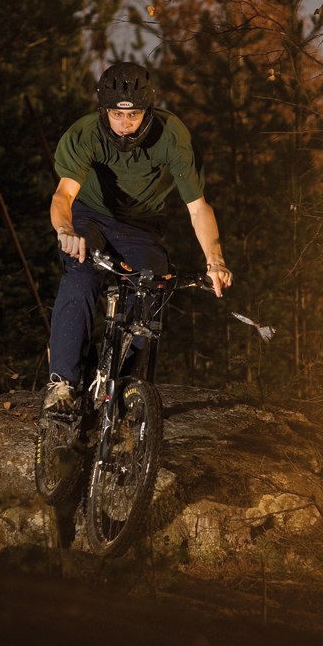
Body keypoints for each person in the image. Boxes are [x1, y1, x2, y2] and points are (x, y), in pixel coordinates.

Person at [47, 61, 233, 408]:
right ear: (104, 110)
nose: (124, 124)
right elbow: (63, 195)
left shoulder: (172, 136)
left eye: (133, 115)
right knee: (81, 278)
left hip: (142, 226)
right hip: (89, 217)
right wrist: (65, 230)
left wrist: (215, 260)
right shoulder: (86, 133)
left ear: (148, 111)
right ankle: (63, 386)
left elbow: (197, 207)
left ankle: (124, 390)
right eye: (117, 115)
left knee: (151, 291)